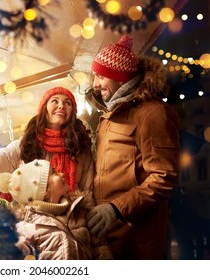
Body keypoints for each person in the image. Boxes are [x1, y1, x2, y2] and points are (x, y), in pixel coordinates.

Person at [85, 35, 180, 259]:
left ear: (121, 78)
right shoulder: (109, 114)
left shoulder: (152, 113)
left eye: (101, 76)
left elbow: (164, 176)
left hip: (137, 240)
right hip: (108, 237)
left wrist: (116, 208)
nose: (95, 84)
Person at [0, 86, 94, 201]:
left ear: (72, 113)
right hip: (30, 223)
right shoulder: (24, 145)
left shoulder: (81, 150)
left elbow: (88, 194)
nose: (61, 106)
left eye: (68, 103)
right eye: (55, 101)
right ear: (44, 110)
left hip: (70, 224)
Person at [0, 159, 112, 260]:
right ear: (44, 190)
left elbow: (101, 252)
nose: (61, 174)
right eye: (54, 172)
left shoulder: (79, 210)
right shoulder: (29, 231)